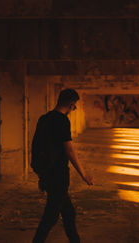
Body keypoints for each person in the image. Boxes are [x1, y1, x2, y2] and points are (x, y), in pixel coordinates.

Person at [32, 88, 94, 243]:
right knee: (50, 216)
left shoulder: (43, 119)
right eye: (74, 107)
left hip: (47, 172)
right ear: (71, 104)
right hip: (58, 174)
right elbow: (69, 150)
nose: (74, 110)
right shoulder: (62, 121)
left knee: (68, 213)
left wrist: (40, 172)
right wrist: (83, 174)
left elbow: (36, 146)